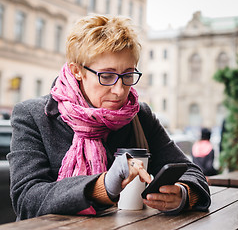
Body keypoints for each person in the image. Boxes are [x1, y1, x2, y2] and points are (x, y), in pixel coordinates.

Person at [8, 14, 210, 221]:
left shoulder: (139, 115)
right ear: (77, 71)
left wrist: (182, 195)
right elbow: (26, 199)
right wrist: (101, 186)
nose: (119, 90)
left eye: (128, 75)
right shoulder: (32, 115)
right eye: (106, 76)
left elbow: (191, 172)